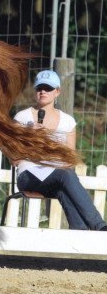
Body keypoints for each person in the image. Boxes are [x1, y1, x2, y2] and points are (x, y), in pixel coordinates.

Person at [13, 69, 107, 231]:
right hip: (28, 175)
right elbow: (13, 158)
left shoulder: (68, 121)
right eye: (39, 88)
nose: (43, 91)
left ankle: (80, 234)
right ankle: (99, 226)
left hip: (57, 176)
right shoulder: (22, 118)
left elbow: (70, 159)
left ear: (57, 92)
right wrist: (29, 137)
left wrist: (51, 153)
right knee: (64, 174)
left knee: (64, 183)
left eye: (48, 88)